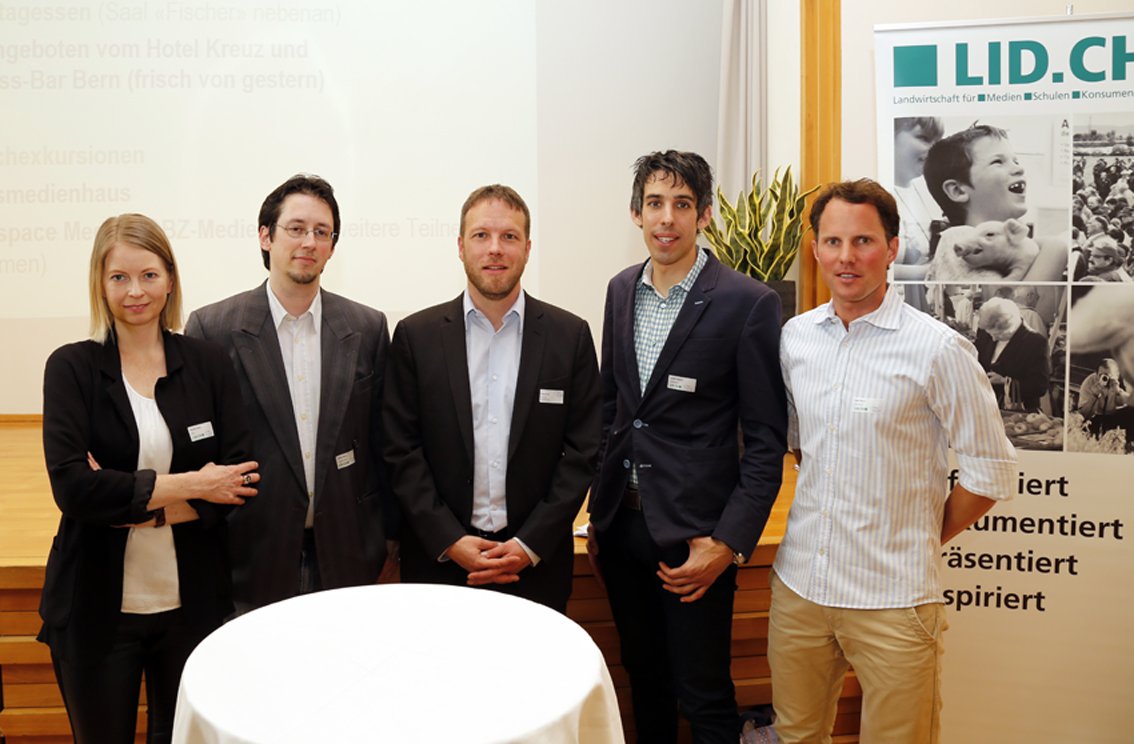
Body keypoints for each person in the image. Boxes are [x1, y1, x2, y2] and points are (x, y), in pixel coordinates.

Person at [770, 179, 1016, 744]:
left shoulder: (937, 348)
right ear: (815, 249)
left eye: (863, 241)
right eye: (833, 241)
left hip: (894, 600)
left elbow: (989, 473)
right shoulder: (796, 339)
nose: (846, 257)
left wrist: (920, 537)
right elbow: (802, 446)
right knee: (795, 736)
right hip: (801, 588)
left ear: (892, 248)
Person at [587, 151, 787, 743]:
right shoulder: (621, 289)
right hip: (623, 527)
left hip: (696, 539)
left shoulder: (748, 302)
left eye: (681, 204)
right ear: (636, 213)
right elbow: (612, 410)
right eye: (654, 203)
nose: (666, 218)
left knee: (703, 694)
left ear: (703, 216)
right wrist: (599, 514)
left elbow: (766, 441)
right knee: (644, 679)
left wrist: (728, 543)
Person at [41, 214, 259, 743]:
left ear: (170, 279)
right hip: (96, 610)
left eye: (148, 275)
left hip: (193, 608)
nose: (135, 291)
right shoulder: (71, 368)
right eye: (119, 277)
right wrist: (195, 485)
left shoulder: (207, 363)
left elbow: (241, 479)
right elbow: (74, 489)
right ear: (100, 284)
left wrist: (128, 503)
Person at [383, 185, 600, 612]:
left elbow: (583, 452)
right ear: (460, 246)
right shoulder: (415, 337)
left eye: (509, 236)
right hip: (439, 565)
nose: (495, 249)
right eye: (481, 235)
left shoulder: (569, 336)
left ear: (527, 248)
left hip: (536, 568)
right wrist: (450, 539)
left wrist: (529, 543)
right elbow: (400, 451)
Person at [185, 174, 396, 613]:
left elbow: (383, 445)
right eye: (296, 228)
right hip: (250, 559)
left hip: (347, 556)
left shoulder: (367, 327)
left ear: (333, 247)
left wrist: (385, 539)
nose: (309, 242)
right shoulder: (212, 329)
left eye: (322, 232)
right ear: (266, 236)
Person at [922, 123, 1066, 281]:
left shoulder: (1016, 249)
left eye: (1016, 161)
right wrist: (1055, 250)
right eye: (998, 161)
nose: (1019, 169)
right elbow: (1004, 297)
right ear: (958, 191)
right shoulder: (956, 239)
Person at [975, 296, 1052, 412]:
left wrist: (1005, 382)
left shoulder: (1035, 342)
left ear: (1012, 327)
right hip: (984, 407)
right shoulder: (986, 333)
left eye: (999, 335)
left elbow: (1040, 386)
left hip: (1018, 412)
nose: (994, 339)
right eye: (990, 334)